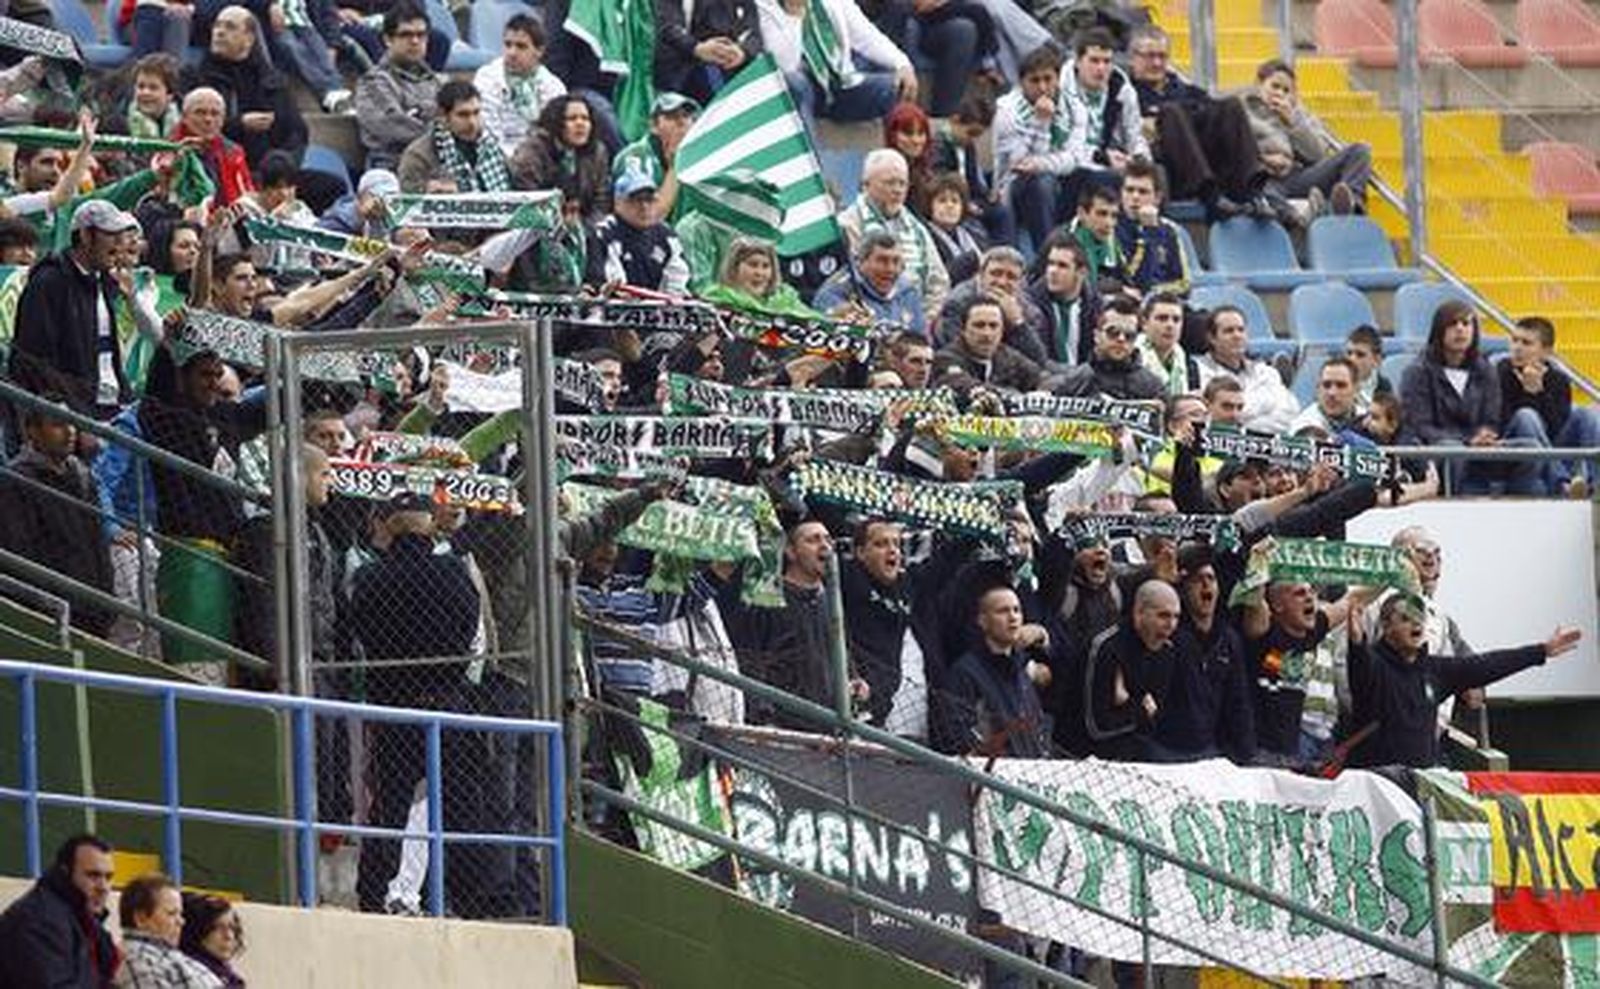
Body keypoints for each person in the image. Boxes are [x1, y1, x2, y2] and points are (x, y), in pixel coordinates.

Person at [351, 493, 483, 914]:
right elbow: (469, 629)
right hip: (446, 699)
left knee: (389, 806)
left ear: (389, 526)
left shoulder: (371, 578)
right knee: (459, 801)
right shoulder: (452, 573)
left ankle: (372, 893)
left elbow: (361, 629)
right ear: (429, 527)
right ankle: (453, 897)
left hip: (394, 703)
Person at [1345, 595, 1580, 768]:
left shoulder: (1434, 670)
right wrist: (1356, 642)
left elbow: (1486, 665)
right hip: (1375, 786)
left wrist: (1541, 652)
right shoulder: (1374, 665)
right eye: (1406, 618)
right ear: (1386, 627)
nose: (1416, 624)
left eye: (1420, 618)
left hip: (1419, 787)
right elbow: (1360, 666)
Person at [10, 201, 143, 417]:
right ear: (85, 236)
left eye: (121, 237)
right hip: (74, 415)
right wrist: (75, 418)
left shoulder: (105, 282)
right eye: (111, 236)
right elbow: (33, 363)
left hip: (113, 407)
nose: (119, 245)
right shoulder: (49, 282)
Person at [1401, 300, 1543, 495]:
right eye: (1453, 324)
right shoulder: (1417, 371)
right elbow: (1421, 426)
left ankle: (1520, 505)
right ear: (1439, 330)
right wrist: (1469, 440)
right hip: (1437, 449)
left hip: (1479, 447)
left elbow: (1492, 419)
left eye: (1466, 324)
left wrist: (1486, 434)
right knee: (1453, 450)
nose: (1460, 329)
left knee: (1530, 448)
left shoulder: (1485, 369)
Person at [1125, 24, 1268, 217]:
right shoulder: (1126, 92)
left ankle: (1252, 191)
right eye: (1150, 56)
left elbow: (1214, 114)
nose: (1157, 63)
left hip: (1204, 157)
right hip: (1171, 166)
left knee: (1230, 106)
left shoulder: (1183, 88)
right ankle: (1210, 196)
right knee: (1171, 112)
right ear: (1133, 58)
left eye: (1162, 56)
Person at [0, 400, 115, 635]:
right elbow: (20, 550)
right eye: (57, 425)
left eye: (72, 425)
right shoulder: (17, 482)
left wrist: (107, 601)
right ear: (32, 431)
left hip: (93, 609)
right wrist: (44, 604)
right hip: (51, 614)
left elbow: (99, 544)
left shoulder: (83, 478)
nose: (70, 432)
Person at [1243, 59, 1371, 224]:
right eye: (1275, 86)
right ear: (1259, 84)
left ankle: (1351, 205)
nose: (1280, 93)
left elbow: (1317, 156)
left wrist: (1292, 123)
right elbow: (1236, 150)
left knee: (1360, 151)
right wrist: (1264, 160)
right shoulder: (1243, 110)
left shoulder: (1300, 115)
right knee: (1265, 192)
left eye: (1286, 90)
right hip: (1264, 178)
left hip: (1296, 176)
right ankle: (1303, 216)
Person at [933, 584, 1053, 757]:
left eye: (1017, 610)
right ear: (982, 621)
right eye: (1002, 611)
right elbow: (956, 735)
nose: (1013, 617)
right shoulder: (965, 673)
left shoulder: (1021, 671)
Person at [755, 0, 916, 126]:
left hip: (840, 82)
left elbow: (866, 36)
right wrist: (794, 14)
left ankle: (896, 165)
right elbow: (785, 63)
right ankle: (812, 165)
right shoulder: (762, 6)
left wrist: (901, 63)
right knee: (795, 83)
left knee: (895, 87)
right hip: (801, 88)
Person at [187, 6, 308, 169]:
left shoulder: (272, 79)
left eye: (230, 27)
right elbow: (193, 127)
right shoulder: (196, 76)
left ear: (249, 38)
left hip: (269, 172)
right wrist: (241, 124)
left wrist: (282, 167)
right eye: (217, 25)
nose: (219, 32)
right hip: (218, 167)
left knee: (332, 186)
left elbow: (297, 133)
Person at [992, 44, 1087, 253]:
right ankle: (1046, 255)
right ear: (1022, 83)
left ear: (1058, 78)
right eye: (1035, 81)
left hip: (1055, 176)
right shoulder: (1006, 111)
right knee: (1040, 183)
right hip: (1011, 186)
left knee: (1094, 178)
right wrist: (1040, 123)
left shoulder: (1075, 108)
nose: (1043, 87)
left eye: (1048, 79)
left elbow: (1074, 157)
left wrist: (1041, 164)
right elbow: (1018, 164)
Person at [838, 148, 950, 317]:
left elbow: (938, 280)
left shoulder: (916, 227)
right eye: (890, 183)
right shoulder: (849, 223)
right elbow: (850, 280)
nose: (897, 190)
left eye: (902, 183)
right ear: (866, 185)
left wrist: (926, 317)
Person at [1498, 315, 1600, 497]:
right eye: (1514, 341)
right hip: (1517, 446)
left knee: (1586, 414)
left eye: (1526, 343)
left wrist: (1540, 393)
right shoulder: (1500, 372)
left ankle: (1597, 484)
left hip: (1550, 443)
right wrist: (1529, 393)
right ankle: (1562, 483)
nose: (1517, 348)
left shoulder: (1558, 379)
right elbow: (1504, 421)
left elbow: (1557, 426)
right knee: (1526, 415)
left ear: (1546, 352)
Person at [0, 834, 119, 988]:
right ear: (65, 872)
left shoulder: (82, 917)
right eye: (93, 875)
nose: (103, 887)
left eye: (108, 877)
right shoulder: (38, 919)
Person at [1083, 579, 1180, 760]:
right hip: (1086, 756)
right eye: (1163, 616)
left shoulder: (1167, 651)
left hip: (1138, 751)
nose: (1171, 625)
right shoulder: (1106, 648)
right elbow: (1096, 727)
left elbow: (1154, 716)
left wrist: (1128, 704)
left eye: (1176, 617)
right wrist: (1139, 710)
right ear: (1139, 613)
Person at [354, 3, 441, 170]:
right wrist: (439, 130)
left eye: (421, 35)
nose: (415, 41)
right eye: (405, 35)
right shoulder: (373, 82)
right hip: (391, 166)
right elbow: (393, 127)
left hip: (436, 166)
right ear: (388, 39)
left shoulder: (437, 82)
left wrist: (419, 114)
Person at [1193, 306, 1300, 433]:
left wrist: (1243, 427)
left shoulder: (1266, 372)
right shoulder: (1197, 372)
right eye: (1229, 331)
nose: (1237, 335)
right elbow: (1212, 418)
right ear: (1212, 338)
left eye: (1241, 330)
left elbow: (1290, 414)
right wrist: (1265, 407)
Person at [475, 13, 567, 160]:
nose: (512, 53)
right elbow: (488, 137)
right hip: (498, 159)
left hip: (540, 160)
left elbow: (556, 136)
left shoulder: (553, 86)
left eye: (521, 46)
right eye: (508, 44)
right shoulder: (487, 78)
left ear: (539, 51)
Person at [512, 94, 613, 226]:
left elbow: (601, 200)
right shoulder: (532, 153)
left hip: (585, 225)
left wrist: (583, 227)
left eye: (585, 118)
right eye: (572, 119)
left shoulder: (597, 152)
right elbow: (527, 196)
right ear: (556, 122)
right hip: (539, 227)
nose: (580, 124)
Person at [397, 81, 514, 195]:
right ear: (443, 116)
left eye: (476, 113)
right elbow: (409, 203)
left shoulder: (491, 147)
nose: (472, 122)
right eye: (463, 115)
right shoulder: (419, 156)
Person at [586, 168, 690, 295]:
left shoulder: (667, 236)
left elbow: (678, 281)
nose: (644, 207)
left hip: (660, 309)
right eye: (636, 200)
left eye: (649, 200)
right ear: (618, 203)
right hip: (616, 309)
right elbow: (611, 285)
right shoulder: (604, 234)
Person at [116, 874, 225, 988]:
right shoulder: (139, 960)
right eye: (171, 913)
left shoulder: (163, 955)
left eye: (180, 914)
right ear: (141, 918)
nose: (181, 922)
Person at [933, 246, 1041, 359]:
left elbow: (1038, 359)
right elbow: (955, 350)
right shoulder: (958, 302)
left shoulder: (1027, 307)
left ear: (1020, 282)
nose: (1002, 282)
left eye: (1011, 277)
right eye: (996, 273)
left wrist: (1018, 323)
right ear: (980, 274)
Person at [812, 230, 925, 333]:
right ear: (861, 262)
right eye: (882, 260)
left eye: (896, 261)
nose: (890, 269)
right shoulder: (835, 293)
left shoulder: (908, 293)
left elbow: (919, 338)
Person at [1054, 296, 1166, 400]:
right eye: (1113, 332)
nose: (1121, 339)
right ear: (1096, 336)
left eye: (1129, 335)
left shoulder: (1153, 388)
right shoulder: (1073, 382)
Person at [654, 0, 762, 105]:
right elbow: (668, 27)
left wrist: (742, 52)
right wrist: (698, 48)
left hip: (733, 65)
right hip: (688, 69)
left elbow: (754, 32)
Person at [931, 292, 1043, 394]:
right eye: (979, 325)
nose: (987, 333)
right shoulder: (945, 358)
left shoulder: (1007, 356)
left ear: (1002, 331)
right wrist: (1008, 394)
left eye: (993, 326)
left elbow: (1041, 377)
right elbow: (961, 384)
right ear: (963, 330)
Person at [611, 92, 699, 220]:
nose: (681, 122)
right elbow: (649, 217)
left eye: (686, 116)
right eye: (671, 117)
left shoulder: (699, 158)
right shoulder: (634, 157)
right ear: (654, 126)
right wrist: (675, 165)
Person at [1116, 160, 1190, 297]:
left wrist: (1155, 293)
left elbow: (1184, 284)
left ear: (1157, 198)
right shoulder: (1111, 229)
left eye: (1143, 192)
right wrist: (1149, 234)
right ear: (1121, 194)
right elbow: (1137, 280)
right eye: (1129, 190)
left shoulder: (1169, 230)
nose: (1135, 197)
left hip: (1164, 304)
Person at [1026, 232, 1099, 368]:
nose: (1053, 271)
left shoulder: (1096, 307)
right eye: (1051, 263)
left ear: (1082, 272)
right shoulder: (1029, 305)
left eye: (1062, 266)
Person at [171, 88, 254, 207]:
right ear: (184, 117)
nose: (208, 119)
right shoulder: (168, 150)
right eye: (200, 112)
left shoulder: (234, 153)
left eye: (215, 114)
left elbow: (247, 194)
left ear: (223, 120)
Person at [921, 173, 987, 288]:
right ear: (929, 206)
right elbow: (938, 278)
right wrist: (971, 259)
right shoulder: (924, 236)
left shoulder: (975, 234)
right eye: (942, 201)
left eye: (955, 201)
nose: (949, 205)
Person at [1291, 356, 1367, 440]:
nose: (1332, 393)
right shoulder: (1304, 425)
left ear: (1356, 389)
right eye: (1326, 385)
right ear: (1318, 388)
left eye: (1341, 385)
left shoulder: (1367, 420)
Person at [1136, 290, 1196, 396]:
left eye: (1176, 320)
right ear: (1144, 323)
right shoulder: (1134, 354)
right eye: (1162, 318)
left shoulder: (1182, 356)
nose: (1170, 325)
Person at [178, 894, 244, 988]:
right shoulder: (191, 974)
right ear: (197, 931)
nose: (228, 936)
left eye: (232, 928)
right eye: (217, 928)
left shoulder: (227, 976)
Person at [1345, 324, 1392, 415]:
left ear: (1376, 360)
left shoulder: (1384, 387)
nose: (1352, 359)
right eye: (1349, 353)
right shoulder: (1333, 382)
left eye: (1360, 355)